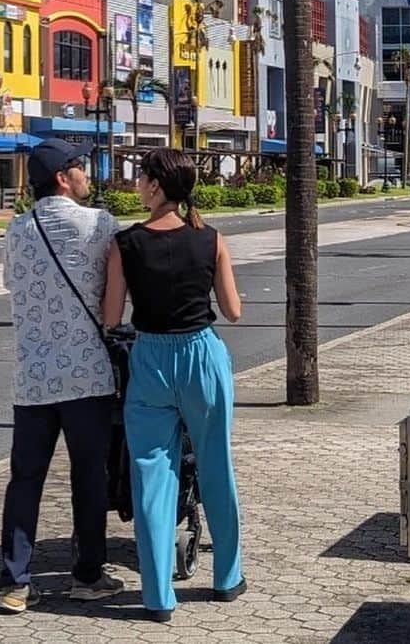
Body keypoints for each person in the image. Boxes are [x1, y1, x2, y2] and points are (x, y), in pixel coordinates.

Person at [102, 147, 245, 623]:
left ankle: (158, 595)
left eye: (141, 179)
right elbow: (233, 310)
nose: (137, 186)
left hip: (151, 358)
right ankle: (226, 577)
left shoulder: (125, 244)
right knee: (215, 465)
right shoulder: (212, 239)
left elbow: (110, 316)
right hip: (202, 355)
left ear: (158, 186)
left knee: (151, 478)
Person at [0, 138, 124, 614]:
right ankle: (87, 575)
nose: (88, 175)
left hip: (31, 379)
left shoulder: (17, 230)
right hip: (86, 376)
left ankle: (15, 582)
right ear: (62, 178)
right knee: (88, 476)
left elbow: (11, 283)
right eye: (81, 168)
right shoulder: (99, 225)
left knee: (25, 480)